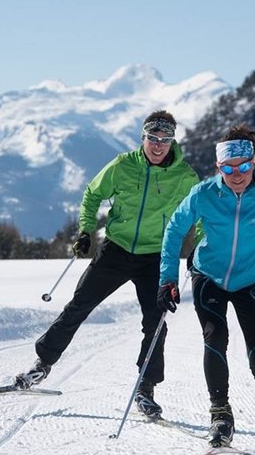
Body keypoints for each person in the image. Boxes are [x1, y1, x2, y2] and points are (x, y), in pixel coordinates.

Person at [14, 110, 200, 419]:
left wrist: (199, 246)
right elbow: (92, 194)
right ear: (143, 138)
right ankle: (42, 365)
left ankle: (145, 388)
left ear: (172, 142)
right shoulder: (123, 166)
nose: (157, 145)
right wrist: (86, 230)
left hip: (156, 256)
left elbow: (202, 212)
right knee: (78, 306)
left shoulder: (184, 176)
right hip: (116, 249)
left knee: (155, 324)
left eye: (164, 140)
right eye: (152, 138)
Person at [157, 124, 255, 455]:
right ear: (219, 168)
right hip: (208, 277)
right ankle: (220, 416)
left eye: (243, 166)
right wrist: (167, 278)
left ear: (253, 164)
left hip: (251, 282)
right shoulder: (204, 194)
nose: (237, 174)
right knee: (215, 338)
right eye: (228, 169)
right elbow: (174, 230)